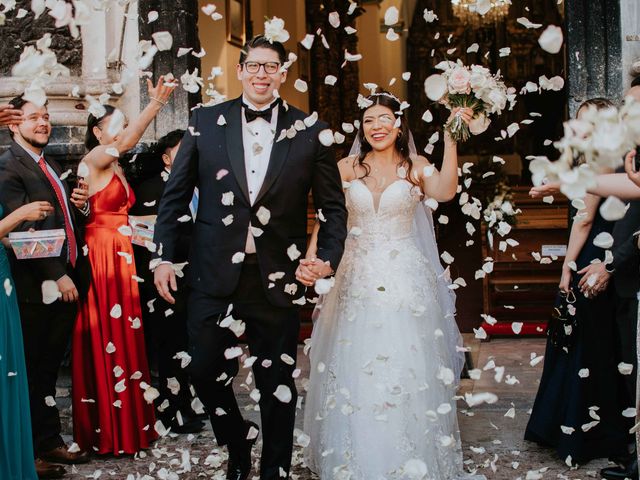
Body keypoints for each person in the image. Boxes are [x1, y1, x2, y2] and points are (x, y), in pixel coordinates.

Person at [153, 35, 348, 480]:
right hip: (211, 273)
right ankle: (237, 437)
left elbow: (334, 210)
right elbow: (175, 196)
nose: (262, 74)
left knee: (276, 382)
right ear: (240, 71)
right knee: (201, 368)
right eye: (254, 65)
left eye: (271, 66)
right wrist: (162, 257)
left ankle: (274, 470)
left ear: (283, 73)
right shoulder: (204, 121)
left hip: (276, 275)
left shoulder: (310, 130)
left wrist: (327, 260)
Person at [301, 92, 480, 479]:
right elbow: (327, 217)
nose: (376, 126)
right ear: (361, 129)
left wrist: (451, 139)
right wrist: (314, 259)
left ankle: (408, 452)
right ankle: (355, 452)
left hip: (404, 280)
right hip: (355, 274)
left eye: (384, 119)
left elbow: (445, 192)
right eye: (368, 121)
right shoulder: (346, 167)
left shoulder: (416, 166)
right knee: (353, 360)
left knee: (404, 361)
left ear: (399, 124)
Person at [71, 76, 175, 455]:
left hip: (123, 253)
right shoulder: (95, 158)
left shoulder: (117, 168)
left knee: (128, 340)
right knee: (107, 338)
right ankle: (110, 432)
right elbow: (128, 141)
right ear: (98, 131)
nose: (123, 132)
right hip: (101, 256)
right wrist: (156, 104)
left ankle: (131, 426)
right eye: (116, 124)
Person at [524, 98, 630, 466]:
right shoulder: (620, 158)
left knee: (589, 349)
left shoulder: (603, 162)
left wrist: (568, 266)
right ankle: (608, 431)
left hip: (595, 259)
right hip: (613, 257)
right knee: (606, 349)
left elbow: (584, 221)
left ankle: (588, 435)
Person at [0, 95, 91, 479]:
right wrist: (56, 274)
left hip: (65, 277)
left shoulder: (49, 162)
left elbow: (64, 216)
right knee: (31, 367)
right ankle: (31, 450)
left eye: (46, 116)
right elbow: (20, 230)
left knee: (49, 367)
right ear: (13, 124)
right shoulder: (7, 166)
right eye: (34, 117)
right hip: (32, 285)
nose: (43, 123)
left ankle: (48, 438)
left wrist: (81, 206)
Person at [129, 129, 204, 434]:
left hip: (198, 279)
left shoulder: (203, 187)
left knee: (191, 344)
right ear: (165, 157)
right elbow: (144, 237)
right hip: (164, 280)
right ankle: (171, 412)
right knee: (170, 347)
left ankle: (189, 404)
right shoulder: (149, 189)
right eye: (181, 149)